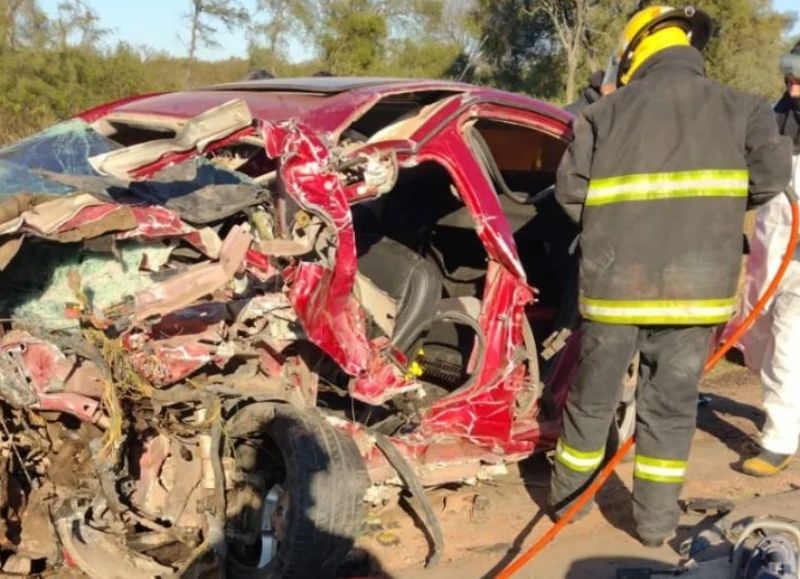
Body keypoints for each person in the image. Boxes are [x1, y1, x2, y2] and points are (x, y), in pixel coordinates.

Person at [549, 5, 792, 548]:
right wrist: (711, 215)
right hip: (696, 290)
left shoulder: (604, 114)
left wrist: (614, 227)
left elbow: (570, 193)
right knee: (671, 407)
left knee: (592, 400)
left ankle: (568, 506)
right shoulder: (743, 107)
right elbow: (772, 176)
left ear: (633, 53)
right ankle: (655, 525)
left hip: (615, 289)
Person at [731, 40, 800, 477]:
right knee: (762, 341)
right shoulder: (777, 120)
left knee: (787, 347)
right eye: (790, 81)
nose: (793, 91)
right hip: (770, 253)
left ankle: (779, 440)